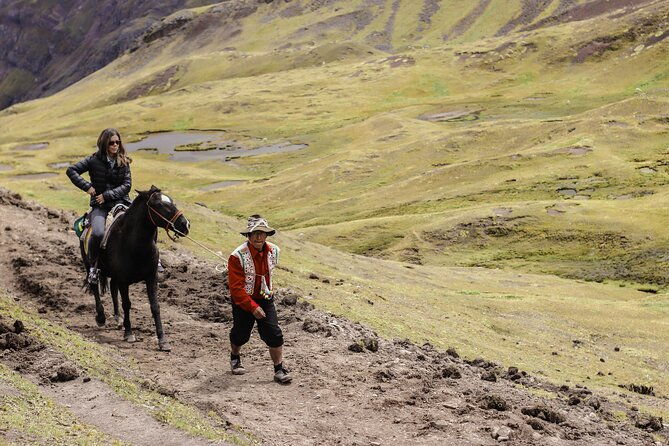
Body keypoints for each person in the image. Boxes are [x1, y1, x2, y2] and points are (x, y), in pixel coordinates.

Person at [227, 215, 291, 384]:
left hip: (265, 297)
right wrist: (252, 307)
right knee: (241, 334)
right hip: (244, 300)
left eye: (262, 233)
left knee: (274, 333)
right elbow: (236, 289)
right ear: (248, 235)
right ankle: (235, 356)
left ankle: (279, 369)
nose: (258, 237)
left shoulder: (274, 251)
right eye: (255, 233)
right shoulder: (237, 256)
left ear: (266, 235)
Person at [66, 128, 132, 284]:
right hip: (100, 207)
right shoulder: (93, 160)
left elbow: (127, 185)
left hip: (121, 202)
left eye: (117, 142)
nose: (115, 145)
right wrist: (87, 187)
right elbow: (71, 170)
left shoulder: (124, 161)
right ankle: (93, 268)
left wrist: (107, 195)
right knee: (97, 233)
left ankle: (154, 261)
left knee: (143, 222)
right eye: (111, 143)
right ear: (104, 144)